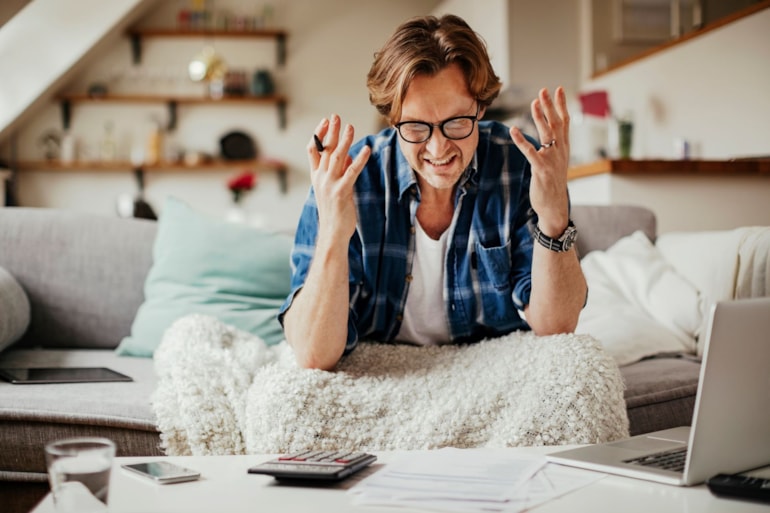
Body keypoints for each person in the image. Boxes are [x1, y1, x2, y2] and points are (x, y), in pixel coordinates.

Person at [279, 14, 587, 370]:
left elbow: (557, 327)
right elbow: (314, 355)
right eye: (416, 126)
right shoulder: (347, 178)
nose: (439, 149)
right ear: (392, 119)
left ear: (481, 108)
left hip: (489, 367)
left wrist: (554, 217)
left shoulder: (518, 165)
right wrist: (334, 229)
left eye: (457, 122)